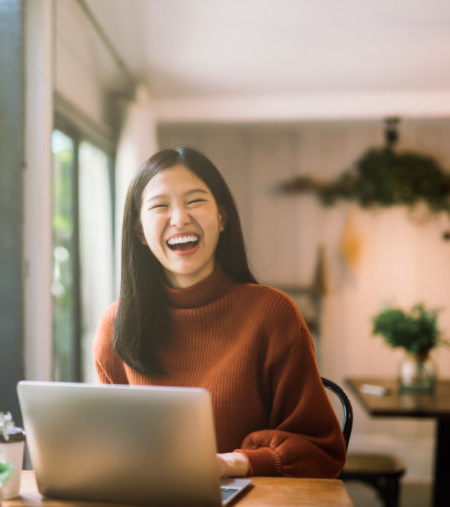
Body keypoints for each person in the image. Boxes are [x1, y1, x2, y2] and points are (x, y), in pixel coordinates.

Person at [93, 147, 346, 478]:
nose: (180, 218)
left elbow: (322, 451)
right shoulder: (117, 325)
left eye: (195, 201)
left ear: (222, 217)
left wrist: (235, 463)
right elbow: (111, 443)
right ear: (140, 231)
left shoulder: (272, 314)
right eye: (159, 206)